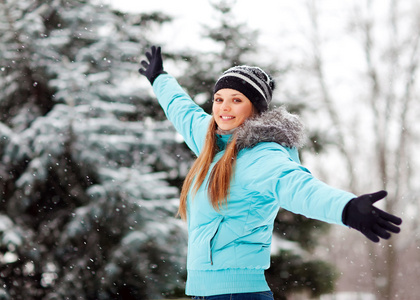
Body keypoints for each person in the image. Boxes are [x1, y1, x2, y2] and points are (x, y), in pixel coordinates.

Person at [138, 46, 402, 300]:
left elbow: (299, 187)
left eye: (236, 100)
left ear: (254, 108)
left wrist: (347, 208)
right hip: (206, 292)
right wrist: (160, 79)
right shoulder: (211, 143)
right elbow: (182, 109)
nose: (223, 108)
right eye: (219, 99)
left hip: (237, 294)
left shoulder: (261, 156)